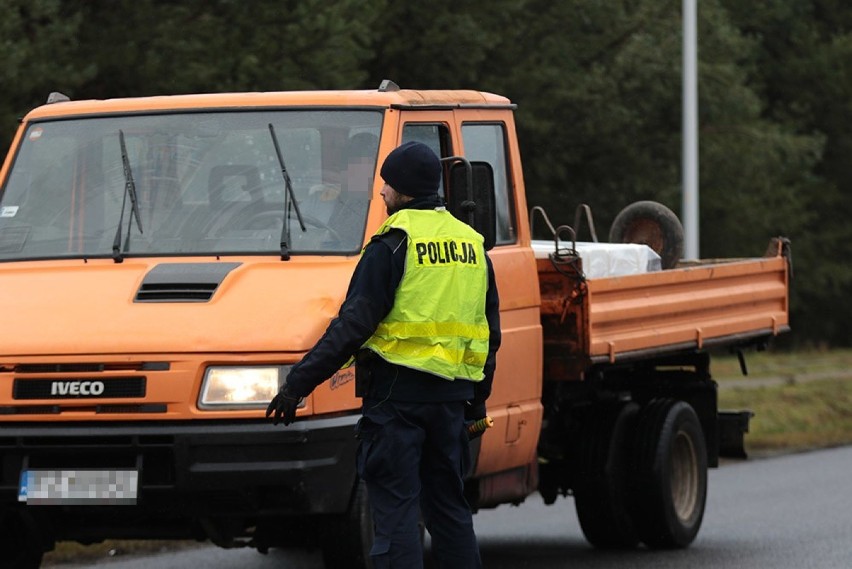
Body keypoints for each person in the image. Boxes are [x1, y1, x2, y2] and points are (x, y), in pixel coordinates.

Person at [267, 140, 501, 568]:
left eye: (386, 185)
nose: (381, 192)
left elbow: (352, 327)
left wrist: (297, 384)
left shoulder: (392, 243)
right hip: (452, 405)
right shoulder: (472, 246)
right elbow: (489, 334)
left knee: (395, 516)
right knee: (451, 513)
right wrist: (477, 403)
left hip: (397, 404)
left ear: (402, 190)